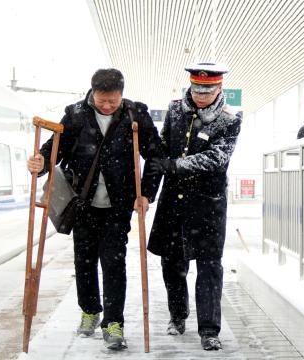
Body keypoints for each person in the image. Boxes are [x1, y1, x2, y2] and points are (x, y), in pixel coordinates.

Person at [26, 68, 162, 350]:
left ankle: (114, 323)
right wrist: (39, 162)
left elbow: (156, 156)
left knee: (113, 262)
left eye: (113, 100)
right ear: (92, 93)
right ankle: (89, 310)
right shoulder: (76, 115)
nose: (108, 105)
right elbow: (55, 150)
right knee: (84, 261)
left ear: (121, 95)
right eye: (103, 99)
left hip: (118, 205)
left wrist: (146, 193)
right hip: (83, 203)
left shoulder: (135, 115)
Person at [146, 62, 242, 351]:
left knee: (209, 267)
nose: (201, 95)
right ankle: (178, 316)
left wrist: (176, 164)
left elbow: (217, 158)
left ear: (219, 88)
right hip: (173, 202)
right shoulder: (175, 110)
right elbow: (160, 150)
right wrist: (147, 193)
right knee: (172, 264)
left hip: (208, 205)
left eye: (207, 90)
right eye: (197, 89)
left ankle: (210, 330)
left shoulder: (230, 118)